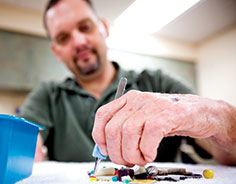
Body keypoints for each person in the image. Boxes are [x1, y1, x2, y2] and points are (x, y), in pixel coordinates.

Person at [20, 0, 236, 166]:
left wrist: (218, 118)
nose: (78, 42)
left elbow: (226, 151)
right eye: (63, 38)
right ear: (56, 51)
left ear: (104, 28)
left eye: (85, 27)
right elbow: (23, 148)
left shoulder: (157, 82)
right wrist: (21, 153)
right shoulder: (47, 96)